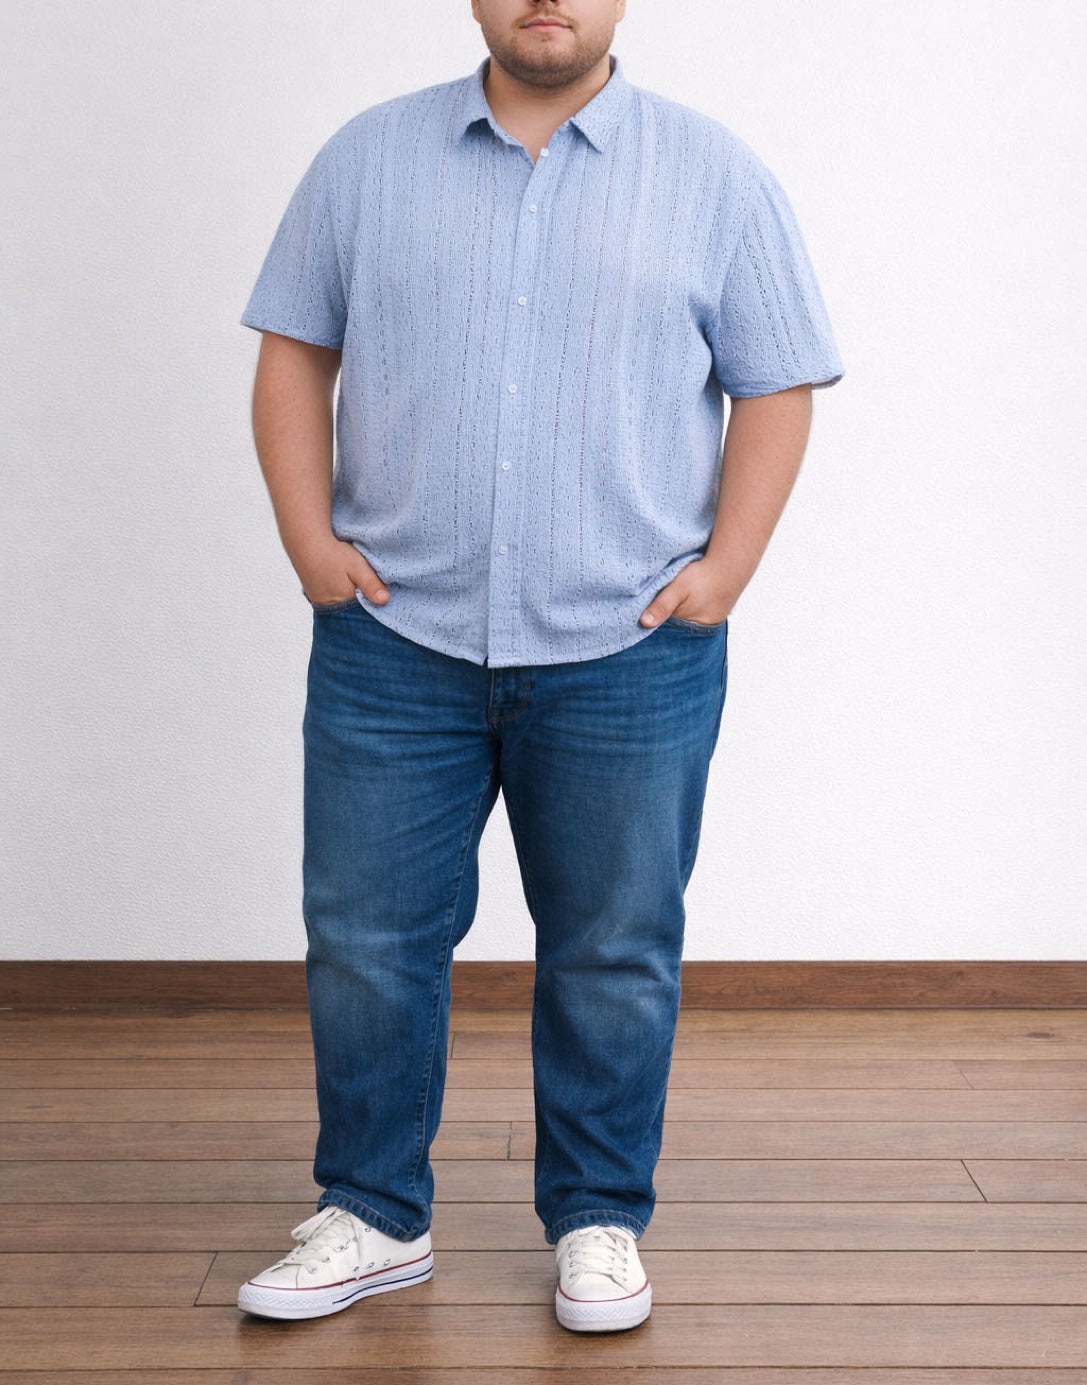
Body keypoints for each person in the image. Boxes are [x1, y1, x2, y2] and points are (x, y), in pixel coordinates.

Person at [236, 0, 842, 1334]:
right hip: (396, 640)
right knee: (365, 941)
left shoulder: (713, 175)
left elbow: (778, 380)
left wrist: (725, 570)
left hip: (629, 647)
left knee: (615, 947)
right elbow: (293, 351)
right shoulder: (365, 161)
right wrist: (308, 543)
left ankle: (599, 1216)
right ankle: (375, 1210)